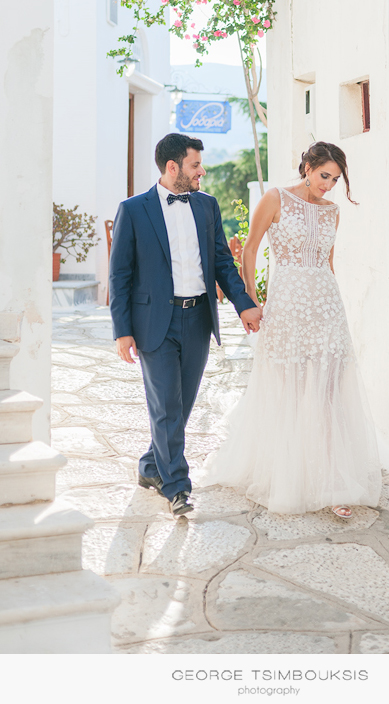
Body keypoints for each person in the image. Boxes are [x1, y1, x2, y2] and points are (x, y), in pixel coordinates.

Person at [201, 142, 382, 518]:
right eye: (324, 176)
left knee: (329, 391)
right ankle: (288, 476)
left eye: (335, 179)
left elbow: (328, 264)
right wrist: (251, 299)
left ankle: (334, 482)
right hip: (285, 308)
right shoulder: (275, 198)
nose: (329, 185)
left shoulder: (332, 213)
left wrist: (332, 311)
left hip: (327, 308)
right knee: (288, 389)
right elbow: (250, 249)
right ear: (308, 167)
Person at [109, 133, 262, 517]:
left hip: (197, 319)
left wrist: (244, 304)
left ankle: (150, 466)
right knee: (166, 407)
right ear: (173, 166)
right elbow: (120, 276)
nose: (202, 171)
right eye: (195, 164)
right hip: (152, 323)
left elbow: (223, 263)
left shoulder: (207, 207)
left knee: (182, 404)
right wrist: (122, 330)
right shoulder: (134, 209)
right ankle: (177, 486)